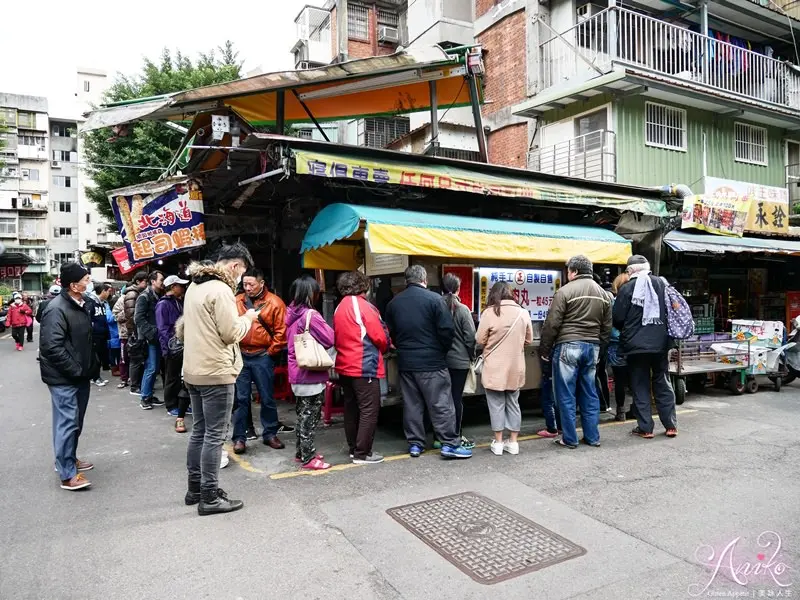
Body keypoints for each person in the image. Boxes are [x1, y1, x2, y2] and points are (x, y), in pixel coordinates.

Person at [181, 243, 259, 515]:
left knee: (200, 431)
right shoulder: (221, 289)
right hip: (216, 372)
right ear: (235, 266)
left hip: (193, 369)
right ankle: (210, 496)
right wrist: (248, 318)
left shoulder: (195, 286)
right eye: (242, 272)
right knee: (215, 435)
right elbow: (230, 333)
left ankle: (195, 489)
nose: (241, 279)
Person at [385, 265, 472, 460]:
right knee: (441, 403)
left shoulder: (394, 303)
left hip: (406, 362)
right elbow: (446, 331)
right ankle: (449, 444)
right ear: (424, 279)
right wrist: (440, 350)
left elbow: (390, 332)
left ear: (407, 280)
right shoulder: (435, 300)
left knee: (412, 404)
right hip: (432, 362)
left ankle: (415, 444)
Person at [540, 255, 611, 449]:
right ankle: (592, 436)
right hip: (592, 347)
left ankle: (569, 438)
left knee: (565, 394)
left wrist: (545, 349)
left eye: (568, 271)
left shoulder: (564, 292)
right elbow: (607, 327)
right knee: (589, 392)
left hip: (568, 346)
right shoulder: (603, 295)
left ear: (574, 272)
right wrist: (600, 350)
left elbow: (552, 324)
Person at [40, 262, 98, 491]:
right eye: (85, 279)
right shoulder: (56, 309)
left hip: (80, 375)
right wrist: (76, 370)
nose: (89, 282)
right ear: (74, 285)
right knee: (67, 422)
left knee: (75, 422)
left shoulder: (81, 304)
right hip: (64, 377)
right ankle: (66, 473)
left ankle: (69, 458)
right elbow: (51, 347)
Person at [612, 255, 678, 439]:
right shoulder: (662, 284)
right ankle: (670, 425)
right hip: (661, 343)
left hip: (635, 346)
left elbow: (617, 318)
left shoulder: (627, 289)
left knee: (639, 384)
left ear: (630, 271)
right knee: (662, 382)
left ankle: (646, 427)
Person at [334, 270, 390, 464]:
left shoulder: (339, 307)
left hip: (344, 365)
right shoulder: (364, 307)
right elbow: (379, 337)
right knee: (369, 409)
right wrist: (386, 346)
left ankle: (353, 448)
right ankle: (363, 453)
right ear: (363, 287)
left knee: (351, 408)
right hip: (363, 365)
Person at [233, 268, 288, 453]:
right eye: (244, 284)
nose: (247, 288)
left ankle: (270, 433)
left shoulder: (275, 303)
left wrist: (270, 352)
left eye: (251, 284)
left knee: (267, 396)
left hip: (262, 356)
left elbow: (281, 333)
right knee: (241, 399)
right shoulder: (237, 300)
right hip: (241, 354)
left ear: (261, 283)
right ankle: (239, 437)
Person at [476, 282, 534, 456]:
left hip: (494, 367)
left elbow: (479, 339)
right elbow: (529, 339)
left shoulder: (489, 312)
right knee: (513, 404)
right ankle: (514, 443)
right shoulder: (523, 313)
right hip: (516, 367)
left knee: (496, 405)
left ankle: (499, 442)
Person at [285, 276, 335, 470]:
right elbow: (329, 338)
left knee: (302, 414)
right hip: (309, 373)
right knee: (310, 416)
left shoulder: (290, 313)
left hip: (296, 370)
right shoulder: (310, 315)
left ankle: (303, 452)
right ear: (310, 293)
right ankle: (308, 458)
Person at [442, 272, 477, 449]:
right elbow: (471, 337)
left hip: (441, 362)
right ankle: (456, 435)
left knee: (442, 399)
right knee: (456, 399)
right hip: (460, 362)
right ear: (457, 289)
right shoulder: (462, 309)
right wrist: (471, 355)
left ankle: (439, 436)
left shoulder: (437, 307)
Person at [156, 275, 189, 425]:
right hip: (171, 347)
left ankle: (181, 403)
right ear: (172, 287)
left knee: (179, 377)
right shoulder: (163, 304)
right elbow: (162, 329)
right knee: (171, 377)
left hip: (180, 345)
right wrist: (170, 345)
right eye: (179, 285)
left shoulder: (178, 302)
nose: (182, 288)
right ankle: (171, 405)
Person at [134, 270, 165, 410]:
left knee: (155, 367)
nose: (163, 283)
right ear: (153, 281)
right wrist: (152, 333)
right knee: (151, 367)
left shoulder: (158, 296)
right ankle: (145, 397)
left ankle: (149, 394)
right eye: (161, 280)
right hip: (150, 339)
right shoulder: (144, 297)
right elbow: (138, 318)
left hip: (156, 337)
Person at [609, 273, 631, 422]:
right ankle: (637, 409)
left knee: (619, 381)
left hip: (616, 345)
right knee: (637, 378)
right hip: (634, 344)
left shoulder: (613, 303)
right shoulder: (636, 302)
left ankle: (620, 410)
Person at [124, 271, 149, 395]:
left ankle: (137, 384)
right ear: (138, 281)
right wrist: (135, 332)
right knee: (135, 360)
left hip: (136, 331)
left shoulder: (137, 293)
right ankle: (134, 386)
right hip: (134, 332)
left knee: (138, 359)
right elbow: (132, 315)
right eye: (145, 281)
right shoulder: (133, 293)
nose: (147, 284)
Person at [87, 283, 113, 386]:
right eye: (108, 291)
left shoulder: (103, 303)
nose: (109, 294)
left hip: (102, 334)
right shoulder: (91, 303)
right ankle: (95, 378)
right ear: (103, 291)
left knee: (100, 356)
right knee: (95, 358)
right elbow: (89, 318)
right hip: (95, 334)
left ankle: (97, 377)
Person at [112, 292, 129, 388]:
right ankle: (124, 378)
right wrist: (127, 311)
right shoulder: (121, 300)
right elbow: (115, 316)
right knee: (123, 358)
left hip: (137, 333)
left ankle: (134, 379)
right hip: (124, 334)